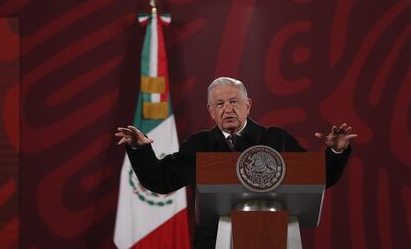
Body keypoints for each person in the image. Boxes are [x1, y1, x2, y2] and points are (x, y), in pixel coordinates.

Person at [115, 77, 357, 249]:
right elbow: (161, 180)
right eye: (219, 104)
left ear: (248, 104)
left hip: (272, 239)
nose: (227, 109)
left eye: (233, 101)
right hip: (213, 241)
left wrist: (335, 151)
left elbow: (318, 177)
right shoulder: (198, 144)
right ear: (210, 110)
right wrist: (139, 149)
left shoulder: (275, 139)